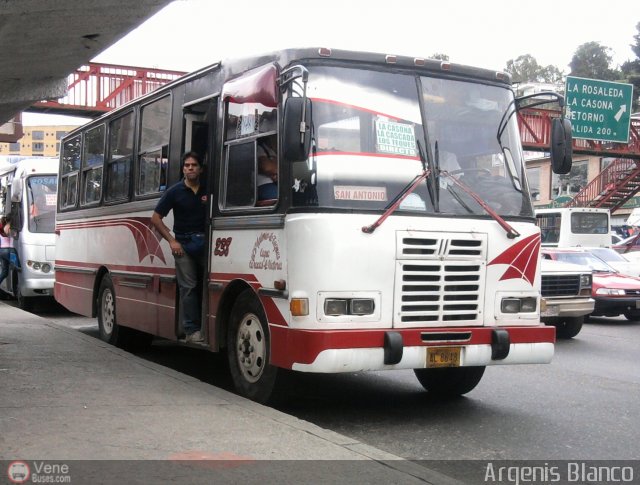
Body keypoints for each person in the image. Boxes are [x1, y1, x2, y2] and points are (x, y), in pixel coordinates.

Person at [151, 152, 207, 344]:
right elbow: (155, 218)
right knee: (188, 287)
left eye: (194, 165)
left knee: (210, 284)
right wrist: (171, 241)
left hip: (206, 244)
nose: (190, 168)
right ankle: (192, 330)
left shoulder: (208, 190)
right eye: (187, 165)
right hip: (183, 245)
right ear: (183, 169)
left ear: (200, 168)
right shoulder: (174, 192)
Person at [0, 216, 12, 297]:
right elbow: (12, 235)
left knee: (5, 272)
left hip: (1, 251)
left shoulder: (2, 229)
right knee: (18, 266)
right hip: (7, 250)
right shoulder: (8, 227)